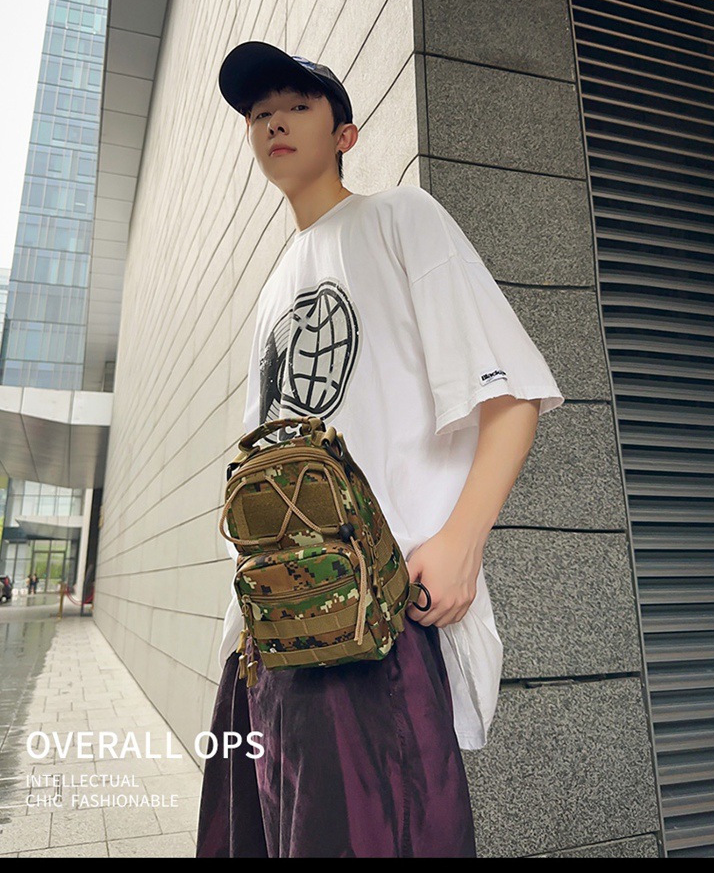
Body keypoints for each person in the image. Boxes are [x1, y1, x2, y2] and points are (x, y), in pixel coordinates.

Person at [196, 42, 565, 859]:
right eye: (259, 113)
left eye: (297, 105)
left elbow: (511, 397)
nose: (274, 122)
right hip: (267, 637)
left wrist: (461, 542)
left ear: (346, 135)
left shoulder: (400, 217)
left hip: (373, 621)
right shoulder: (271, 289)